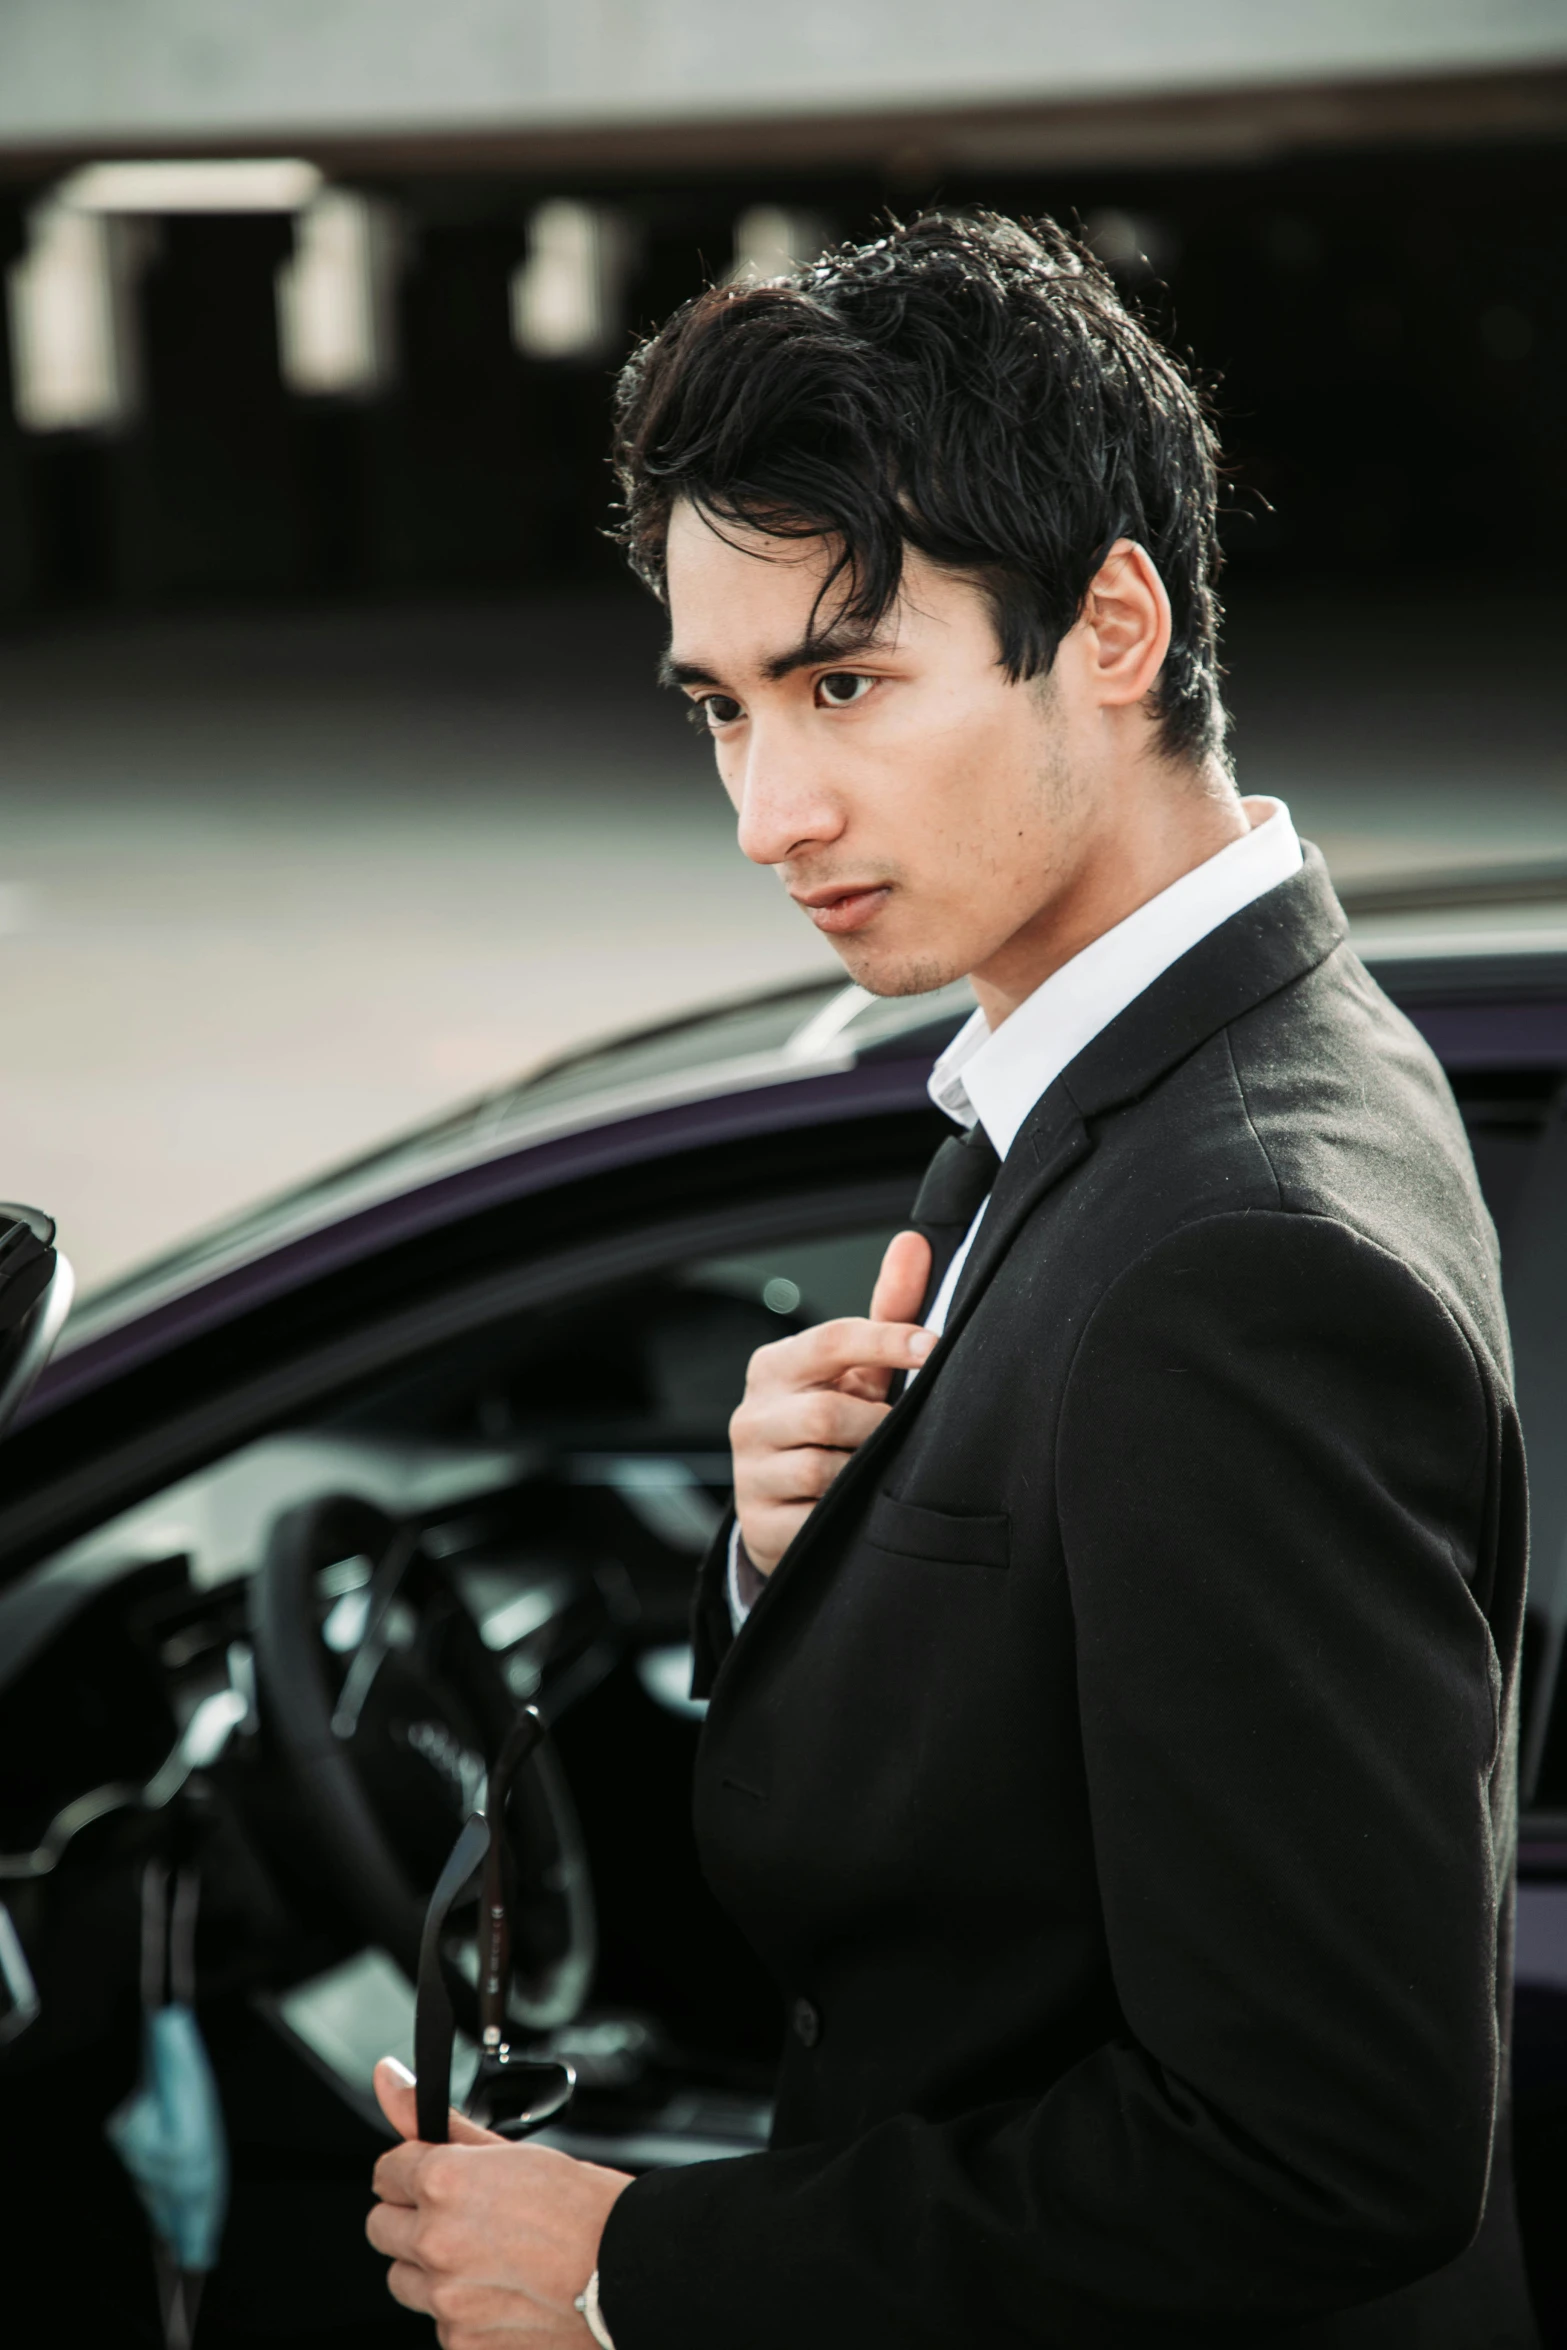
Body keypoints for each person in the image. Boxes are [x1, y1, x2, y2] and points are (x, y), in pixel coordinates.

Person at [366, 213, 1536, 2347]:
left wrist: (631, 2264)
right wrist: (818, 1549)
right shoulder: (1215, 1048)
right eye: (721, 706)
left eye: (843, 681)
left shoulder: (1240, 1242)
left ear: (1108, 620)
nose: (766, 807)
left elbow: (1321, 2148)